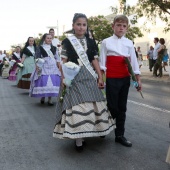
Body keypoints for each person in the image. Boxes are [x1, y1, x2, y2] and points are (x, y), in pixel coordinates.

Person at [53, 13, 115, 152]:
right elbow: (63, 62)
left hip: (89, 76)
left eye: (84, 25)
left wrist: (99, 76)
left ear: (86, 27)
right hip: (73, 77)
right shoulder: (67, 42)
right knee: (76, 106)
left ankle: (99, 129)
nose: (81, 27)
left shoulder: (91, 42)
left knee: (94, 103)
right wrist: (64, 79)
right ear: (73, 25)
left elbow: (94, 61)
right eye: (78, 24)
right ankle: (79, 139)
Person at [100, 14, 141, 147]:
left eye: (124, 26)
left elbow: (133, 63)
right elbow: (102, 63)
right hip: (111, 78)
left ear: (127, 28)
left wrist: (137, 81)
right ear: (113, 26)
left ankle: (120, 135)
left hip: (124, 79)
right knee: (112, 107)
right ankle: (104, 127)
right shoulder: (106, 42)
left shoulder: (129, 43)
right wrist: (101, 78)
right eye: (118, 25)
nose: (121, 28)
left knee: (122, 108)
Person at [29, 33, 61, 105]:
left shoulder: (54, 48)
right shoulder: (40, 47)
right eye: (48, 38)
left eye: (50, 38)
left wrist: (59, 66)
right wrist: (37, 66)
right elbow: (37, 57)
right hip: (43, 65)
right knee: (43, 81)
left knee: (52, 81)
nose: (49, 39)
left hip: (53, 66)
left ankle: (50, 99)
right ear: (44, 39)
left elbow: (57, 58)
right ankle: (42, 96)